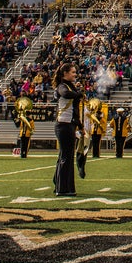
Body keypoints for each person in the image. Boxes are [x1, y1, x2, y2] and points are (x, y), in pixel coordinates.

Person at [52, 62, 83, 196]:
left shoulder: (70, 86)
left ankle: (59, 184)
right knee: (66, 156)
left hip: (69, 124)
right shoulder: (62, 86)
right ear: (65, 74)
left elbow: (75, 110)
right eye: (73, 72)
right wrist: (78, 94)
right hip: (63, 125)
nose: (75, 74)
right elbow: (65, 94)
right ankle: (63, 188)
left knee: (65, 156)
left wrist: (80, 125)